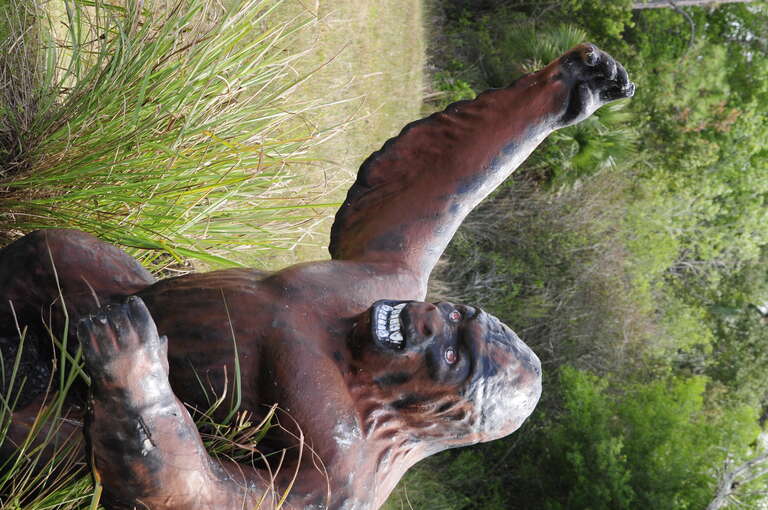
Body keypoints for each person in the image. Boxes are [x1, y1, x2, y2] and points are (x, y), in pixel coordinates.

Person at [0, 44, 633, 510]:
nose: (436, 321)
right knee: (59, 257)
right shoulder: (386, 286)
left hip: (86, 414)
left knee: (25, 436)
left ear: (436, 411)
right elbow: (439, 191)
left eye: (450, 352)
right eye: (460, 317)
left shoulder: (342, 472)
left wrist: (140, 392)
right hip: (108, 309)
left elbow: (196, 498)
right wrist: (549, 100)